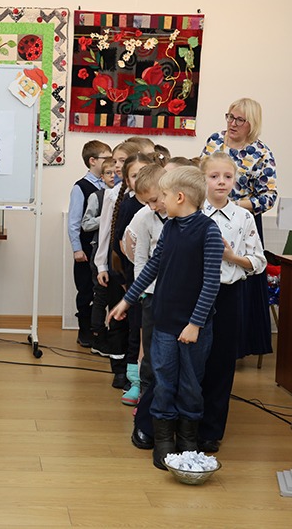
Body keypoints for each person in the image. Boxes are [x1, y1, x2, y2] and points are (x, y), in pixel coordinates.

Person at [107, 166, 223, 470]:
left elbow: (211, 283)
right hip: (164, 324)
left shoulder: (209, 231)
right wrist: (127, 300)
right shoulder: (169, 228)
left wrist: (195, 323)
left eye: (165, 196)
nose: (161, 202)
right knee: (163, 381)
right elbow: (152, 267)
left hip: (194, 328)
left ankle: (187, 441)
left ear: (180, 197)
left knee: (190, 384)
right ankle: (164, 442)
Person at [198, 152, 266, 452]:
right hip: (196, 294)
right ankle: (185, 423)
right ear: (203, 179)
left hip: (229, 294)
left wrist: (232, 257)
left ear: (235, 180)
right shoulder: (192, 213)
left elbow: (258, 261)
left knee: (222, 362)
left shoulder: (243, 217)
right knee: (192, 361)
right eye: (214, 176)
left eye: (227, 177)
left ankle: (210, 430)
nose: (221, 182)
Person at [201, 97, 277, 359]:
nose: (232, 124)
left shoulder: (261, 153)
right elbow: (198, 176)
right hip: (208, 215)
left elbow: (268, 197)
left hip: (242, 221)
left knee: (240, 288)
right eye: (230, 117)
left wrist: (233, 206)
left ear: (252, 124)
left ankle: (235, 347)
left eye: (240, 120)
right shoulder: (214, 140)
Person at [95, 152, 153, 389]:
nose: (141, 180)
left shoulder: (161, 205)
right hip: (130, 274)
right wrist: (119, 275)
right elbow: (116, 242)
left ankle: (140, 376)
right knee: (128, 324)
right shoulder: (128, 206)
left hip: (150, 278)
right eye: (135, 176)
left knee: (142, 328)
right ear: (127, 181)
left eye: (145, 174)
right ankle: (127, 374)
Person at [120, 163, 167, 406]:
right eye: (147, 202)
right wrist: (140, 292)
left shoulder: (188, 218)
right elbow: (141, 259)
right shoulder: (147, 218)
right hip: (150, 294)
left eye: (155, 200)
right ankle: (145, 396)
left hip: (176, 297)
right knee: (148, 347)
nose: (152, 206)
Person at [67, 140, 111, 348]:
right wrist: (77, 248)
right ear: (92, 161)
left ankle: (99, 329)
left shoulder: (110, 186)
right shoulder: (81, 187)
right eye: (106, 158)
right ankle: (85, 331)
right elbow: (74, 221)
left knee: (101, 290)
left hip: (103, 248)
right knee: (85, 289)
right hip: (86, 248)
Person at [81, 157, 117, 356]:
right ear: (102, 177)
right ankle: (98, 337)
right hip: (100, 253)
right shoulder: (97, 196)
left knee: (115, 296)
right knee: (100, 296)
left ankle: (113, 337)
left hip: (117, 254)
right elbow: (86, 224)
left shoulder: (123, 196)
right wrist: (106, 217)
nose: (113, 176)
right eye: (109, 173)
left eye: (116, 172)